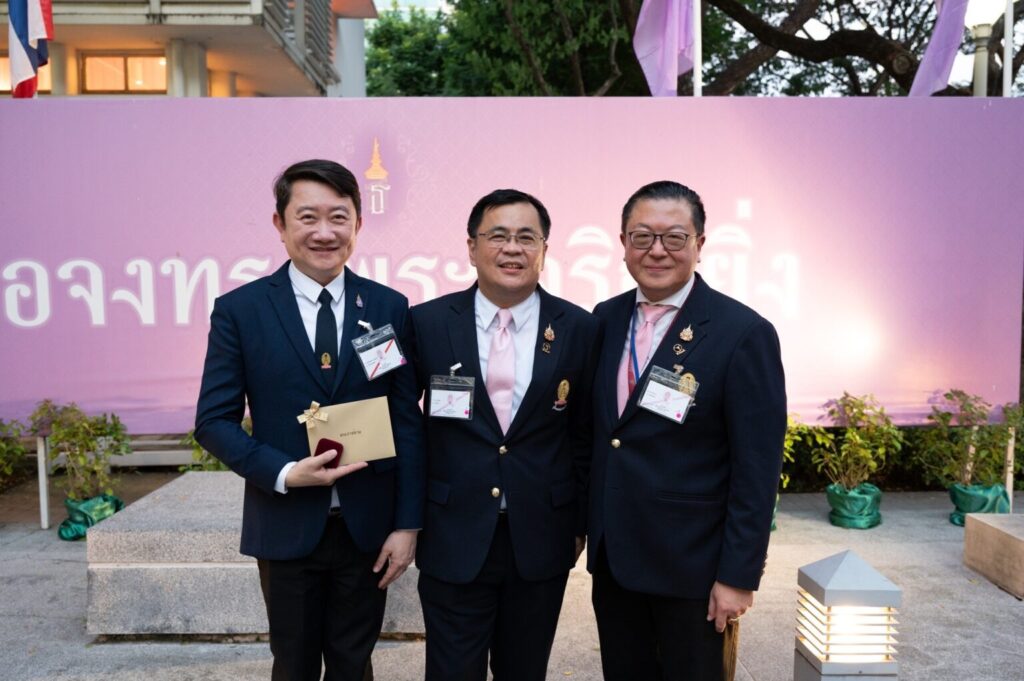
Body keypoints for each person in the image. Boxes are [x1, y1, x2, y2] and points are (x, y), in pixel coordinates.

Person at [194, 159, 425, 681]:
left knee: (354, 663)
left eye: (339, 217)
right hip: (286, 523)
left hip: (367, 530)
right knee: (292, 665)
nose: (324, 232)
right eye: (307, 217)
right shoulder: (242, 310)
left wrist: (407, 524)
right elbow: (214, 421)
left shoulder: (387, 307)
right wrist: (282, 472)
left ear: (358, 224)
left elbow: (405, 423)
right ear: (280, 224)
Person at [587, 181, 786, 681]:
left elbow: (756, 470)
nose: (657, 251)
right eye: (642, 237)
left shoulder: (743, 333)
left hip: (692, 570)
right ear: (623, 243)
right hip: (615, 564)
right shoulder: (605, 319)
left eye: (674, 237)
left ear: (700, 243)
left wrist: (738, 576)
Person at [409, 189, 602, 681]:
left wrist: (578, 520)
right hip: (452, 531)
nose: (512, 249)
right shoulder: (427, 323)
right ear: (472, 248)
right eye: (497, 236)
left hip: (540, 536)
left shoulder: (579, 327)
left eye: (526, 237)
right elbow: (405, 429)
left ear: (544, 250)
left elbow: (585, 435)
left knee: (525, 670)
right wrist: (405, 520)